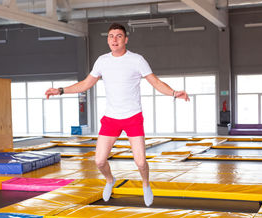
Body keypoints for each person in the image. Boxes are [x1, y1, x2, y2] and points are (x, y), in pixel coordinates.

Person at [45, 23, 189, 206]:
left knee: (141, 162)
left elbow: (156, 82)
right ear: (107, 40)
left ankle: (145, 184)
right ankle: (109, 180)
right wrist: (60, 90)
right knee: (99, 161)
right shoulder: (102, 61)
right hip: (111, 118)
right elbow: (86, 84)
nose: (114, 39)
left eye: (119, 36)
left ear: (125, 39)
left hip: (133, 117)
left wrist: (175, 93)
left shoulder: (137, 60)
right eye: (111, 36)